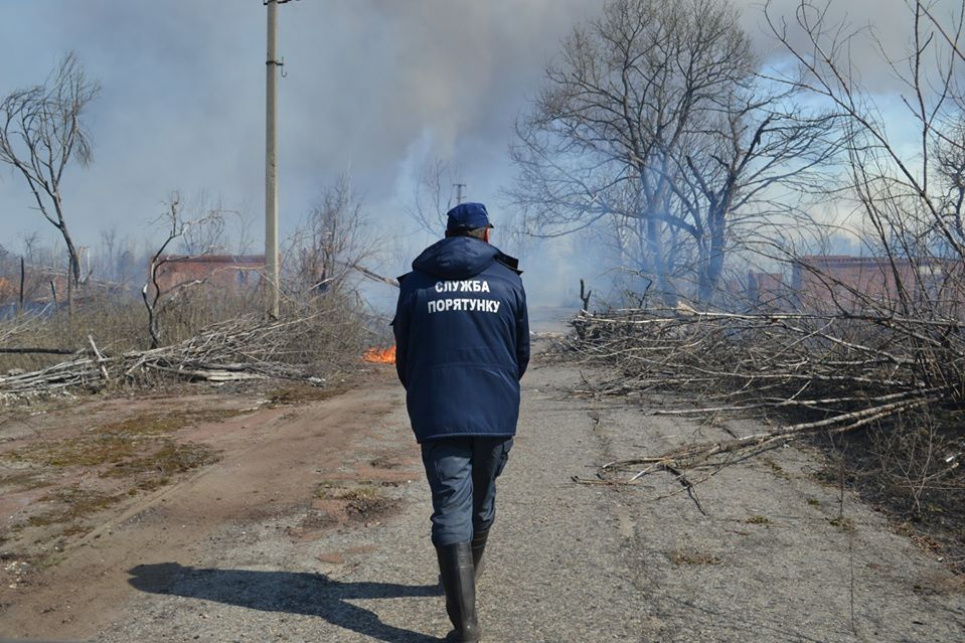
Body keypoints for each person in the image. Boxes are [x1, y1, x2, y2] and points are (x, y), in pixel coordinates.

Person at [392, 202, 530, 642]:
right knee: (482, 500)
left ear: (450, 233)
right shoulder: (509, 281)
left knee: (451, 506)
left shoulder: (415, 284)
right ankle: (468, 578)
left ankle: (466, 626)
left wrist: (427, 391)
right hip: (495, 409)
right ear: (485, 234)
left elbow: (405, 356)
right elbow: (520, 354)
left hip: (438, 410)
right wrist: (499, 386)